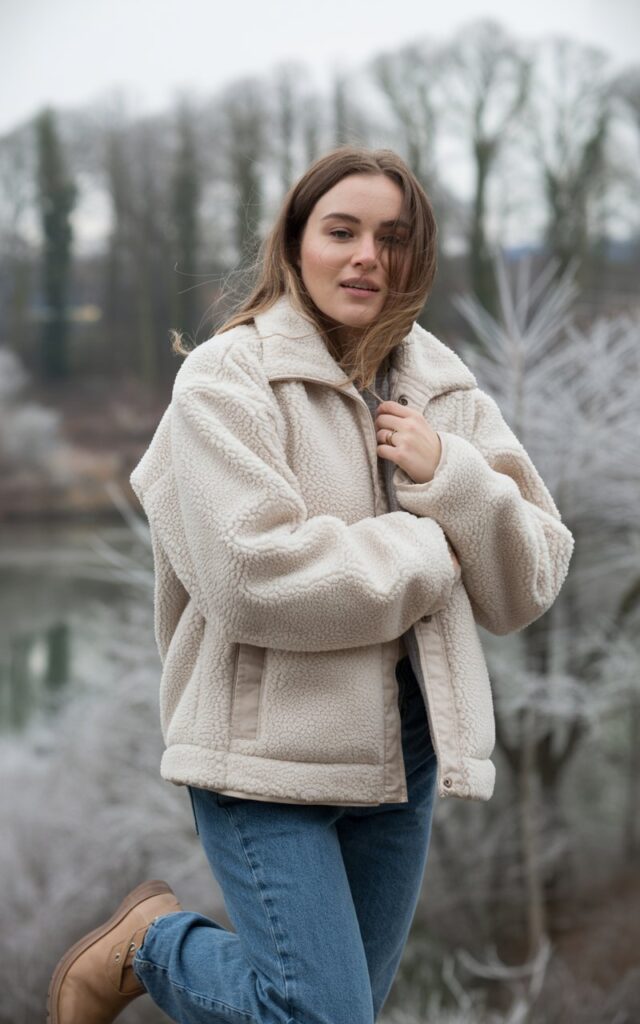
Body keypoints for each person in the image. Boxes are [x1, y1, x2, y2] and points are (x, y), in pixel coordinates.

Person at [47, 146, 574, 1024]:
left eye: (392, 238)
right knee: (322, 1013)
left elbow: (532, 578)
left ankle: (154, 946)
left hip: (402, 755)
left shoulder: (442, 387)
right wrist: (432, 547)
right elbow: (255, 577)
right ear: (295, 245)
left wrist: (453, 476)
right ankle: (152, 946)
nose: (368, 256)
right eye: (342, 231)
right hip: (261, 753)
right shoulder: (225, 379)